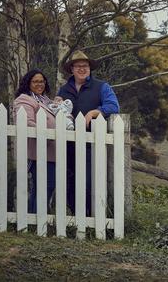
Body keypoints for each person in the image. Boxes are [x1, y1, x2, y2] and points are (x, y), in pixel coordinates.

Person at [57, 50, 120, 215]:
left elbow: (114, 106)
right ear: (71, 69)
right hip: (68, 144)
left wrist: (94, 112)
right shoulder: (63, 90)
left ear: (90, 68)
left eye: (85, 66)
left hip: (91, 145)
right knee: (70, 181)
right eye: (78, 66)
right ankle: (74, 217)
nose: (82, 69)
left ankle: (89, 217)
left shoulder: (102, 87)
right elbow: (59, 112)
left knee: (88, 182)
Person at [12, 69, 57, 214]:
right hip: (38, 153)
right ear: (28, 83)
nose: (40, 84)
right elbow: (26, 123)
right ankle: (36, 219)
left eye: (42, 81)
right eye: (35, 81)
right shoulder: (24, 99)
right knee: (44, 186)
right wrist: (48, 135)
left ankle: (36, 219)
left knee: (46, 187)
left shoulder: (45, 100)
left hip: (52, 153)